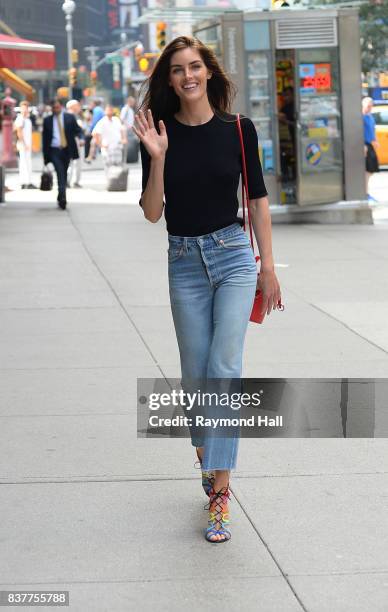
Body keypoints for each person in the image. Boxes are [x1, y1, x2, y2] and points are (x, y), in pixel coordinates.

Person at [133, 36, 281, 544]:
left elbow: (258, 202)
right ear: (169, 80)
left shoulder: (239, 130)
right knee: (197, 375)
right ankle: (207, 456)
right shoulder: (159, 132)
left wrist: (269, 267)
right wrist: (157, 159)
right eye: (177, 70)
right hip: (184, 262)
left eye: (195, 66)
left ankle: (220, 492)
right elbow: (153, 212)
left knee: (223, 369)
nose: (187, 76)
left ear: (210, 73)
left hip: (235, 257)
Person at [42, 98, 82, 209]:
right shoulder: (47, 121)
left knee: (64, 173)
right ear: (52, 109)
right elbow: (44, 140)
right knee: (60, 172)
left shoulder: (70, 118)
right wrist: (45, 157)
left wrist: (81, 138)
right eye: (54, 108)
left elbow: (78, 130)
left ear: (61, 107)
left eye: (58, 107)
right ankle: (63, 198)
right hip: (54, 150)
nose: (56, 109)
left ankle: (60, 195)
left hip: (67, 150)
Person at [92, 104, 127, 175]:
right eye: (108, 110)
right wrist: (100, 144)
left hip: (117, 147)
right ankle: (110, 182)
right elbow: (94, 133)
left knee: (118, 166)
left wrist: (124, 139)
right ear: (105, 111)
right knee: (108, 166)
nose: (110, 111)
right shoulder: (102, 122)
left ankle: (118, 182)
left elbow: (122, 130)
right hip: (107, 148)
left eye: (111, 110)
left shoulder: (116, 119)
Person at [14, 100, 36, 189]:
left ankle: (27, 181)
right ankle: (25, 182)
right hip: (23, 145)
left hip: (28, 144)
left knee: (27, 163)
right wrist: (24, 144)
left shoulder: (27, 119)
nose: (25, 110)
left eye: (26, 108)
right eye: (23, 108)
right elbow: (19, 132)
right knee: (24, 163)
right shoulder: (20, 119)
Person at [362, 97, 379, 202]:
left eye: (371, 106)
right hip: (364, 145)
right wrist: (362, 145)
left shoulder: (370, 117)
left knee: (371, 169)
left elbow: (372, 129)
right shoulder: (361, 117)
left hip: (370, 144)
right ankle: (365, 193)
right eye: (368, 106)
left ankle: (366, 192)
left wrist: (375, 140)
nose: (370, 108)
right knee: (366, 170)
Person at [66, 99, 84, 188]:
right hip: (71, 141)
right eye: (77, 105)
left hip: (75, 141)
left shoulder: (76, 116)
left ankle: (74, 181)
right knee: (71, 162)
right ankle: (69, 181)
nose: (79, 107)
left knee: (76, 162)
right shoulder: (68, 116)